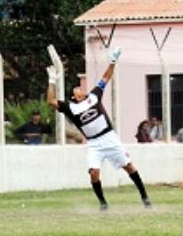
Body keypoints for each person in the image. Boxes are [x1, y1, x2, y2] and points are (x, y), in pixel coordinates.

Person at [46, 47, 152, 210]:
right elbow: (51, 100)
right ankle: (103, 203)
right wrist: (52, 80)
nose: (81, 89)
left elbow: (106, 77)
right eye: (78, 89)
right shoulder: (70, 107)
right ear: (74, 96)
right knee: (94, 172)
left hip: (109, 137)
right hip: (94, 143)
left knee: (129, 167)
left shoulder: (94, 96)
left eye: (81, 88)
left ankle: (144, 196)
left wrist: (112, 61)